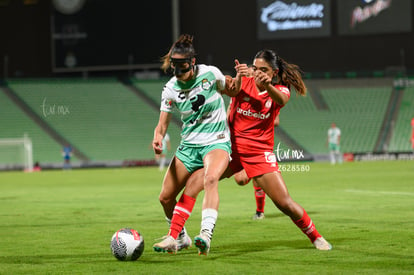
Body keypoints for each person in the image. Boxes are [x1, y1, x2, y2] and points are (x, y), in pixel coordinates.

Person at [163, 49, 332, 255]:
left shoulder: (279, 89)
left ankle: (316, 237)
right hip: (230, 150)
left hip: (259, 153)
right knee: (193, 185)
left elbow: (281, 100)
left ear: (274, 73)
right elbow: (222, 86)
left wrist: (267, 84)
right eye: (255, 68)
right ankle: (178, 237)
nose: (258, 72)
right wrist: (237, 77)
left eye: (264, 70)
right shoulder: (244, 83)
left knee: (284, 203)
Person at [152, 34, 235, 255]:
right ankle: (181, 238)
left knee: (210, 179)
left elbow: (232, 90)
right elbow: (162, 124)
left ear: (192, 62)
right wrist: (158, 137)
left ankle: (205, 235)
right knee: (165, 198)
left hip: (216, 142)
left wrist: (239, 80)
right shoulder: (170, 88)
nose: (178, 72)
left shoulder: (211, 73)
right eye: (174, 66)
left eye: (182, 66)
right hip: (189, 147)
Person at [233, 113, 280, 220]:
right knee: (240, 180)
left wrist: (255, 123)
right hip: (242, 144)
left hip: (260, 145)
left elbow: (276, 121)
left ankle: (259, 212)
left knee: (257, 179)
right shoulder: (240, 100)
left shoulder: (270, 100)